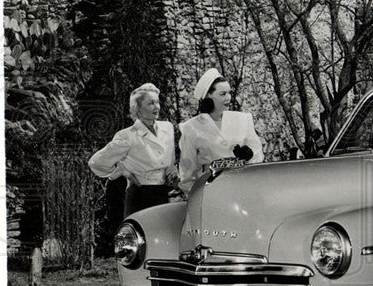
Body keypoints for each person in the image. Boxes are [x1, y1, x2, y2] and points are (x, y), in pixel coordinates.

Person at [88, 83, 179, 215]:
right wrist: (123, 171)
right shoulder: (127, 136)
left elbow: (170, 165)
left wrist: (174, 176)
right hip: (140, 196)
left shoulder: (167, 128)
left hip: (164, 195)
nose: (157, 107)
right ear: (138, 108)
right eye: (151, 103)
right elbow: (95, 162)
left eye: (157, 102)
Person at [178, 68, 264, 195]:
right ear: (208, 96)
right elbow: (188, 173)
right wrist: (198, 198)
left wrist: (249, 155)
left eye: (229, 93)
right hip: (212, 192)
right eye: (222, 94)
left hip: (243, 188)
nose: (228, 98)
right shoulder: (191, 127)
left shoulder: (242, 119)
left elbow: (258, 156)